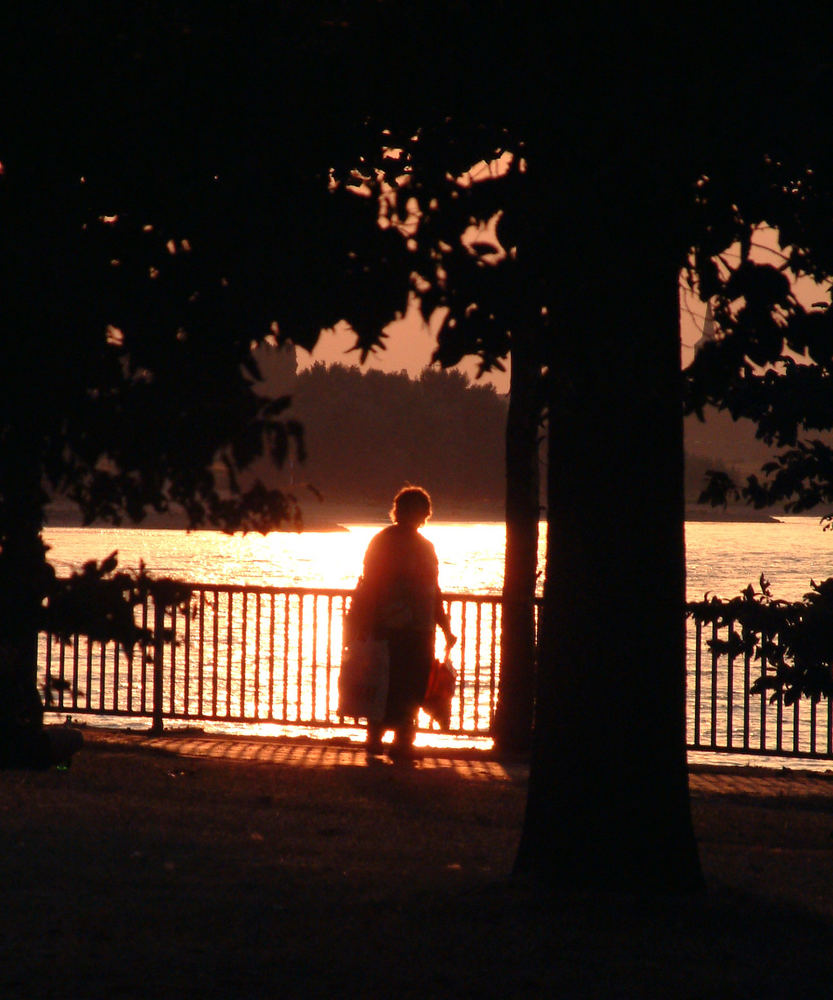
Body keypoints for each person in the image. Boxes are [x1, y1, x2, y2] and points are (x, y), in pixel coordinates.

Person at [351, 486, 455, 759]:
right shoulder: (425, 547)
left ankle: (378, 738)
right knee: (409, 684)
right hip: (416, 629)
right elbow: (434, 591)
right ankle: (402, 741)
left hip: (389, 626)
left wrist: (362, 624)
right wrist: (445, 626)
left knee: (384, 681)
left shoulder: (381, 541)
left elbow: (370, 585)